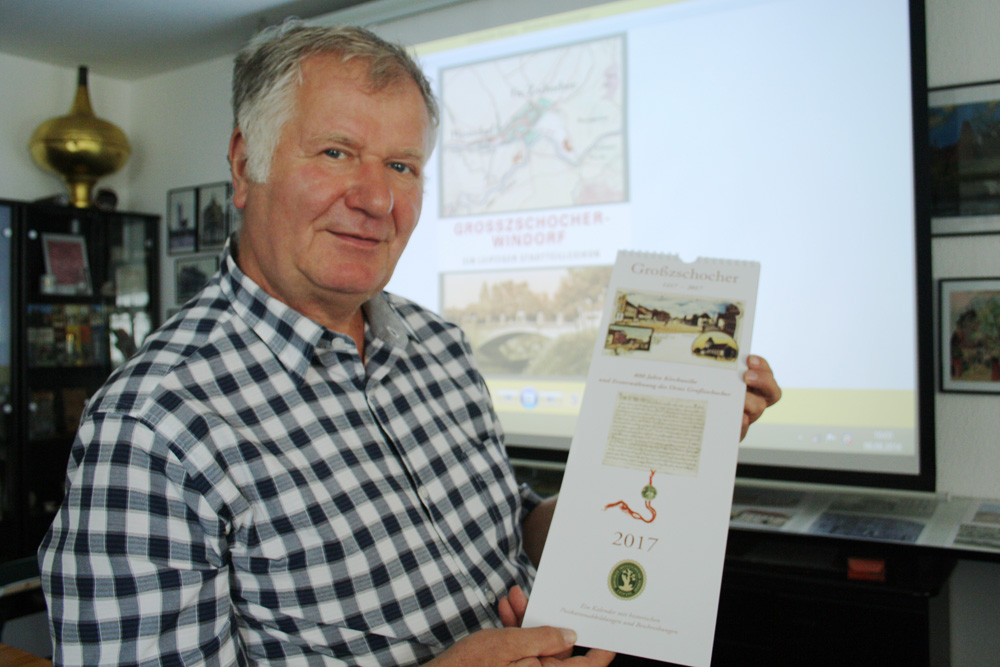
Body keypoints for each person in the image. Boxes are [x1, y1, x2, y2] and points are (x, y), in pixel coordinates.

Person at [38, 22, 781, 667]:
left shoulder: (440, 346)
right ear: (243, 164)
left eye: (402, 165)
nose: (376, 199)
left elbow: (517, 528)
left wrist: (677, 445)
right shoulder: (149, 429)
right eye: (335, 152)